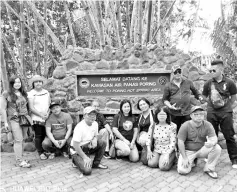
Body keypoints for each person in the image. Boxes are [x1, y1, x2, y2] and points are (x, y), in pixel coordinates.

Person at [202, 59, 237, 169]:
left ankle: (234, 159)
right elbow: (203, 96)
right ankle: (210, 157)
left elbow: (234, 97)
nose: (211, 72)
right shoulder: (208, 83)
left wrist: (228, 108)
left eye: (214, 70)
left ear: (221, 70)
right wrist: (208, 104)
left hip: (226, 113)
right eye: (210, 70)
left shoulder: (230, 82)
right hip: (212, 113)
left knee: (229, 136)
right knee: (212, 136)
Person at [177, 106, 222, 179]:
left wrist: (212, 143)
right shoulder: (185, 125)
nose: (199, 116)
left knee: (217, 148)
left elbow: (214, 138)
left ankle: (209, 168)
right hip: (188, 151)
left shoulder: (207, 124)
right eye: (196, 114)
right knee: (183, 171)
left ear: (204, 115)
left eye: (201, 114)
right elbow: (180, 142)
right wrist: (185, 158)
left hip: (202, 149)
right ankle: (192, 160)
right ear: (191, 116)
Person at [163, 65, 203, 132]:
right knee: (175, 131)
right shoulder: (168, 85)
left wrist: (199, 97)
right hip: (174, 113)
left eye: (179, 71)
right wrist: (170, 106)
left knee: (189, 131)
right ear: (172, 73)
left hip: (187, 111)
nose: (178, 73)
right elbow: (165, 99)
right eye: (175, 72)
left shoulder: (188, 82)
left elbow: (195, 92)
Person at [2, 75, 32, 167]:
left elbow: (27, 107)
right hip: (14, 119)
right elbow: (3, 109)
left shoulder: (23, 93)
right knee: (18, 139)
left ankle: (21, 157)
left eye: (19, 82)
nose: (17, 84)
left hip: (24, 118)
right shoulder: (6, 94)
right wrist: (5, 122)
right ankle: (19, 161)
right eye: (15, 82)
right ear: (11, 84)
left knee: (22, 139)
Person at [70, 106, 108, 176]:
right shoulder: (79, 127)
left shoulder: (95, 124)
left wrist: (95, 139)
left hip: (88, 145)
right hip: (77, 149)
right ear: (84, 116)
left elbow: (96, 135)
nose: (92, 117)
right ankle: (75, 160)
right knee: (87, 171)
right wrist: (85, 158)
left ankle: (96, 164)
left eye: (94, 115)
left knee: (102, 143)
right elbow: (75, 145)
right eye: (89, 115)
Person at [144, 106, 176, 171]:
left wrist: (167, 154)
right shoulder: (153, 125)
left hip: (167, 150)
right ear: (156, 115)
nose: (162, 116)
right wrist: (149, 150)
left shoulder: (172, 126)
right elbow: (149, 138)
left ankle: (172, 157)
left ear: (167, 115)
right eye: (160, 114)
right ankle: (159, 159)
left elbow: (173, 142)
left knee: (163, 167)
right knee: (151, 164)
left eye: (164, 114)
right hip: (157, 149)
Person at [28, 75, 51, 160]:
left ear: (42, 83)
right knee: (38, 135)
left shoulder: (46, 92)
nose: (38, 83)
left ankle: (44, 150)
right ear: (33, 84)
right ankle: (40, 152)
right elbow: (31, 108)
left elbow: (49, 104)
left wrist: (47, 114)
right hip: (36, 117)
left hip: (46, 116)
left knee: (45, 134)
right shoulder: (31, 93)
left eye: (39, 81)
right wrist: (41, 115)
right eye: (36, 82)